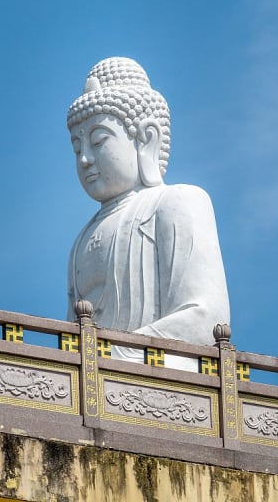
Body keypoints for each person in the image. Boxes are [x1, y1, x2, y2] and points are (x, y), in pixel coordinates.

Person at [66, 57, 230, 369]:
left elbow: (208, 317)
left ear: (146, 139)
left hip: (161, 381)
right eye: (77, 147)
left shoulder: (178, 203)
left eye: (98, 140)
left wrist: (114, 355)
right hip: (91, 379)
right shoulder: (81, 241)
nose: (85, 158)